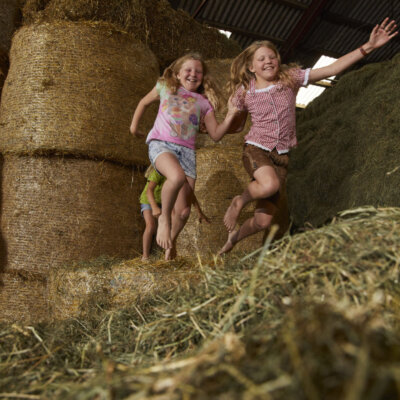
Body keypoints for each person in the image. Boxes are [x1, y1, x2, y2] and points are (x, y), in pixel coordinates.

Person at [218, 18, 398, 255]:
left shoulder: (289, 78)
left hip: (282, 157)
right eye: (261, 59)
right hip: (256, 148)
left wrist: (369, 47)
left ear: (278, 61)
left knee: (263, 221)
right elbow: (236, 127)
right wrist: (229, 114)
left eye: (271, 56)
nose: (268, 61)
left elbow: (332, 70)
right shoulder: (244, 91)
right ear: (251, 67)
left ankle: (234, 238)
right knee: (269, 183)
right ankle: (239, 201)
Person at [130, 53, 237, 257]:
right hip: (162, 145)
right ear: (178, 74)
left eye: (198, 71)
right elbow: (143, 103)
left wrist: (231, 113)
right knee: (176, 177)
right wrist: (134, 128)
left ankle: (170, 242)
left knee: (184, 211)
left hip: (187, 152)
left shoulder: (204, 103)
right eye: (188, 70)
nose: (193, 74)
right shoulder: (166, 88)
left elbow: (215, 135)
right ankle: (163, 219)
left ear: (203, 77)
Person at [139, 165, 210, 261]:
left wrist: (199, 212)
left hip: (164, 202)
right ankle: (145, 256)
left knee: (172, 227)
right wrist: (155, 207)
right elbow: (149, 191)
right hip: (148, 201)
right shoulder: (158, 172)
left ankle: (170, 255)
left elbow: (190, 194)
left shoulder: (178, 177)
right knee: (151, 225)